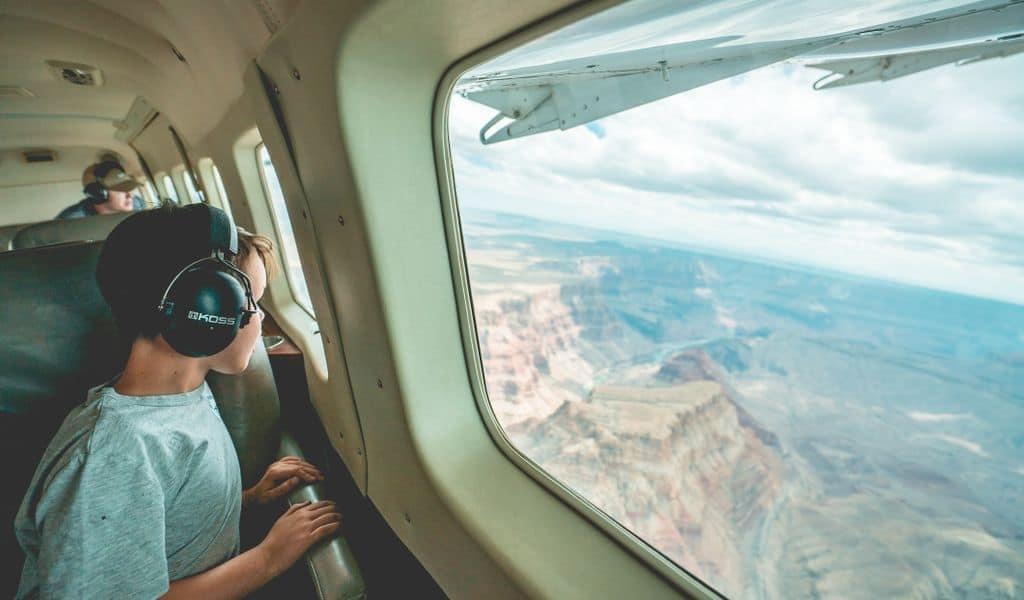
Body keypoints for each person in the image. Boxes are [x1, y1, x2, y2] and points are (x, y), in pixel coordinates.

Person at [14, 204, 340, 598]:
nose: (258, 318)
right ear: (204, 306)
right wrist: (268, 558)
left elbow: (154, 518)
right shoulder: (114, 454)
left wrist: (246, 500)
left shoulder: (185, 396)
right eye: (251, 301)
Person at [55, 160, 146, 219]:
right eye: (121, 190)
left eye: (129, 188)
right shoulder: (70, 221)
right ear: (98, 194)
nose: (130, 196)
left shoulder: (137, 203)